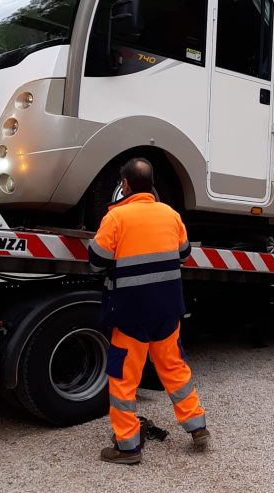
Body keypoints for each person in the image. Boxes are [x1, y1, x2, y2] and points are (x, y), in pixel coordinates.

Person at [89, 157, 208, 465]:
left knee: (124, 378)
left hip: (130, 313)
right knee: (174, 367)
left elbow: (96, 261)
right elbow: (183, 253)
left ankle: (127, 447)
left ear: (125, 185)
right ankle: (196, 425)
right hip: (168, 310)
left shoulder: (115, 218)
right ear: (151, 184)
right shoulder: (170, 214)